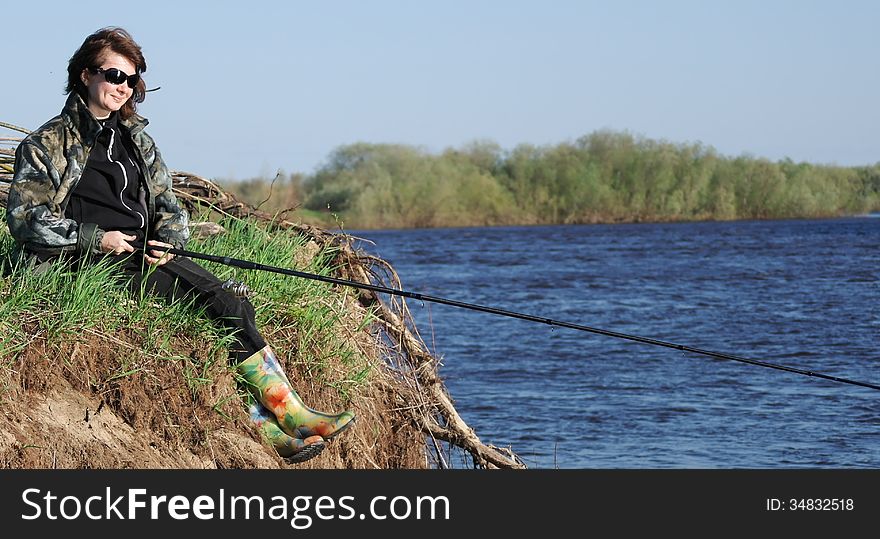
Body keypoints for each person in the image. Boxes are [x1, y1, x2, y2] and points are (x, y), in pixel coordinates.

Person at [6, 27, 354, 464]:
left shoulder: (138, 139)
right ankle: (291, 418)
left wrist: (169, 239)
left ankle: (276, 427)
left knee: (227, 302)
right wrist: (97, 238)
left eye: (131, 79)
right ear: (84, 75)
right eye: (113, 74)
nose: (122, 87)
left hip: (145, 257)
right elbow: (25, 219)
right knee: (213, 303)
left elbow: (170, 204)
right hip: (87, 263)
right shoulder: (46, 143)